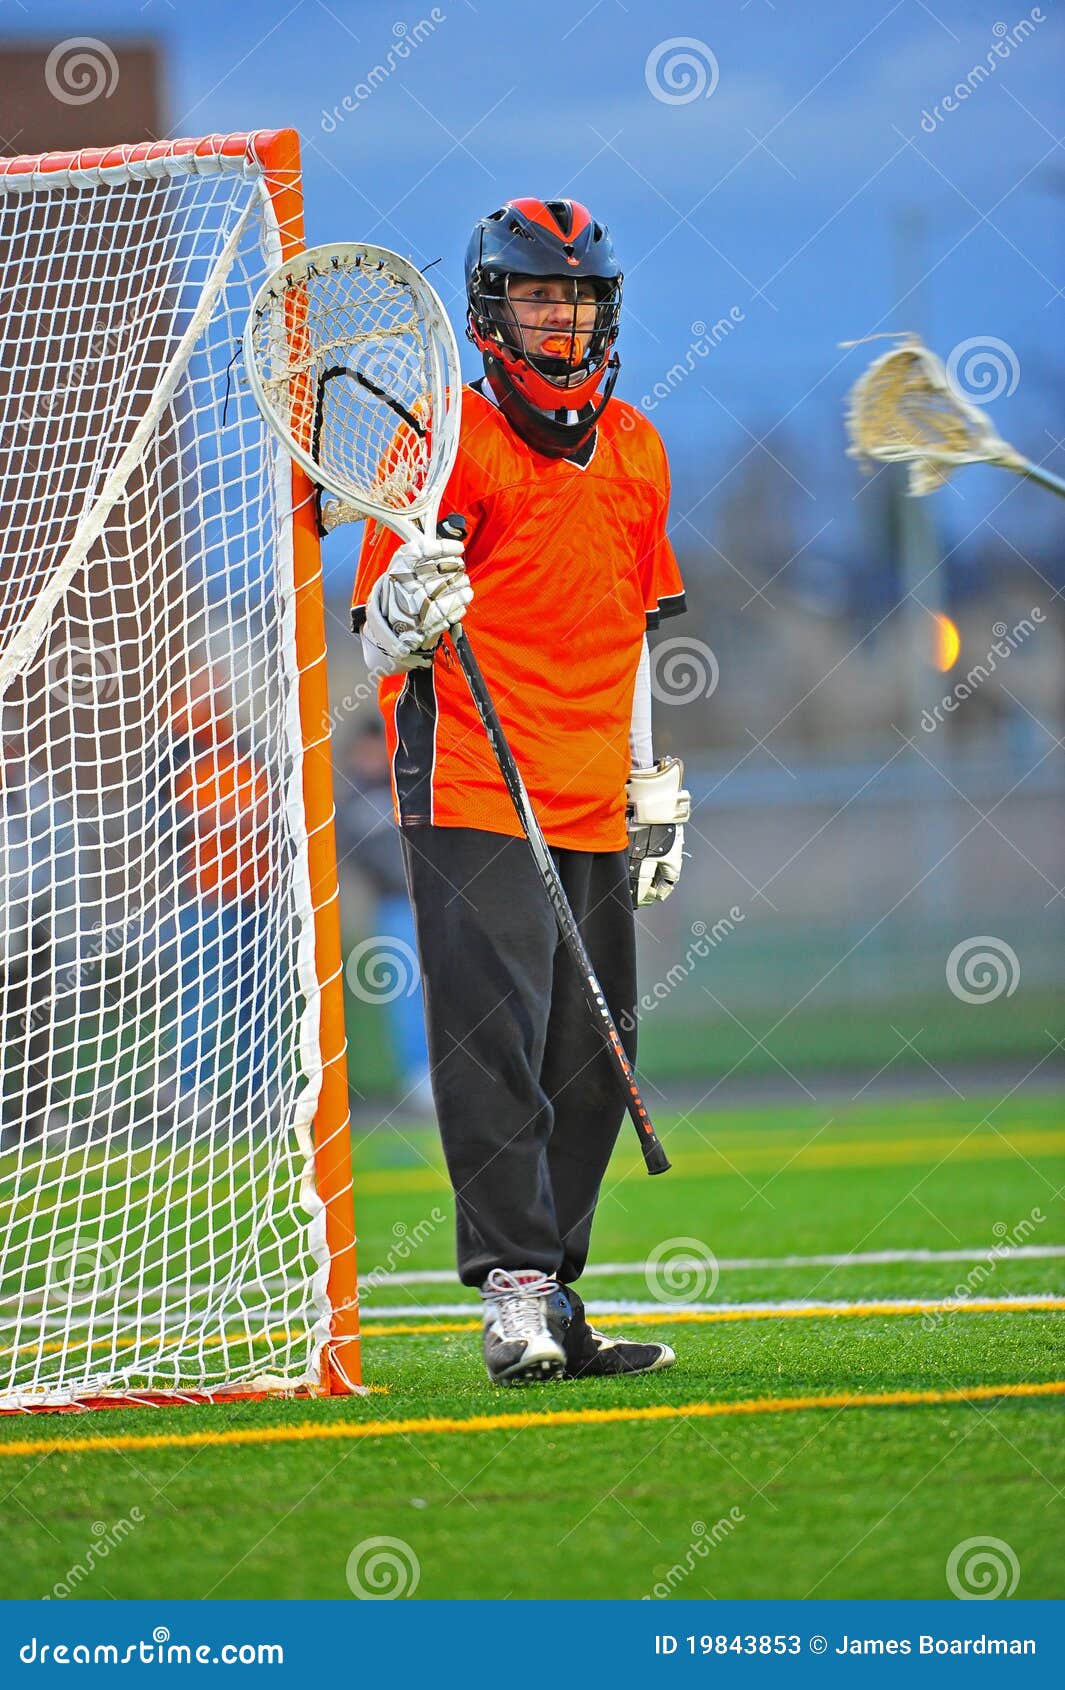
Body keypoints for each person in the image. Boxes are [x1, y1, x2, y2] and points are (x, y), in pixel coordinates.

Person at [351, 198, 690, 1385]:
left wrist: (648, 782)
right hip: (473, 782)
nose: (562, 317)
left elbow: (636, 630)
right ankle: (510, 1297)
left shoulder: (638, 447)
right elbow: (378, 638)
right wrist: (407, 614)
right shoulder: (445, 440)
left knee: (591, 1058)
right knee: (493, 1042)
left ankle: (556, 1291)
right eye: (541, 294)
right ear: (494, 308)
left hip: (589, 790)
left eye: (579, 297)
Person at [336, 716, 432, 1111]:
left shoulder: (413, 787)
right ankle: (418, 1073)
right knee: (405, 991)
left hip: (433, 902)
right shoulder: (353, 802)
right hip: (394, 906)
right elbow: (357, 854)